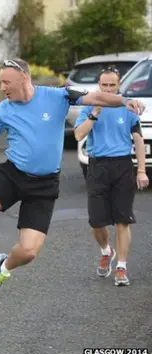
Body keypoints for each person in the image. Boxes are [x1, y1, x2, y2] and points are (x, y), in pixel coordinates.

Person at [0, 59, 145, 297]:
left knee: (28, 252)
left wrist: (124, 101)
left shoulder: (59, 96)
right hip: (13, 175)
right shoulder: (4, 109)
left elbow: (96, 98)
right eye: (0, 82)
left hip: (45, 185)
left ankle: (3, 268)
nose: (2, 87)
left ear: (24, 78)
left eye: (6, 82)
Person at [73, 67, 149, 286]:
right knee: (96, 222)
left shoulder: (127, 108)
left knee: (122, 220)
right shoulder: (89, 107)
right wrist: (95, 112)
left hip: (122, 165)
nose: (107, 89)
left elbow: (138, 140)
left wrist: (142, 170)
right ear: (99, 85)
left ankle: (122, 268)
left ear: (119, 85)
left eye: (112, 85)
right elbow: (79, 134)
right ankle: (107, 251)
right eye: (104, 85)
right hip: (97, 167)